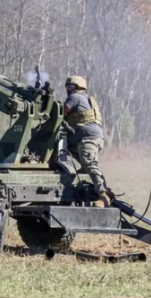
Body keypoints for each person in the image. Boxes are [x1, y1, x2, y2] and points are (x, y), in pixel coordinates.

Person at [63, 76, 112, 207]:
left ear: (77, 87)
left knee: (89, 164)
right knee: (68, 153)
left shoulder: (74, 97)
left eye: (70, 87)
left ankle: (103, 195)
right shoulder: (87, 98)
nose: (68, 90)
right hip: (94, 137)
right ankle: (96, 189)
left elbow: (61, 113)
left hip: (87, 138)